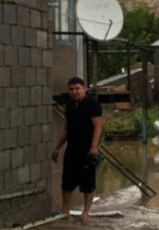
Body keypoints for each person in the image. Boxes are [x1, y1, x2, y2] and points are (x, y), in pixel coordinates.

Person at [52, 77, 103, 223]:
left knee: (87, 183)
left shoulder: (92, 105)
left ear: (84, 89)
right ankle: (65, 210)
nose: (74, 92)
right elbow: (66, 129)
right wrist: (57, 147)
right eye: (71, 89)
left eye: (77, 89)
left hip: (87, 151)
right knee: (66, 182)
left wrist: (94, 146)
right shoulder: (69, 107)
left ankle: (86, 212)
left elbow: (98, 126)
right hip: (72, 149)